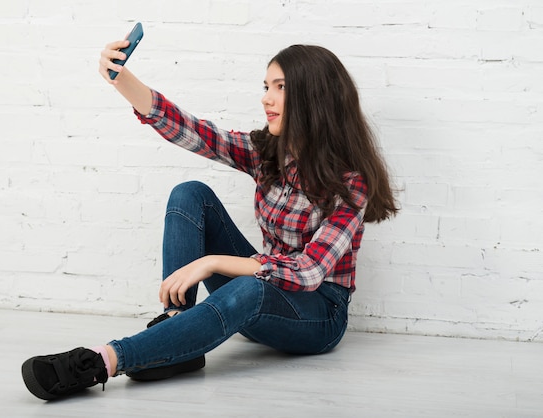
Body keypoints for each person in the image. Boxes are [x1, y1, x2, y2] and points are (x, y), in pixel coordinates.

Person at [21, 36, 398, 401]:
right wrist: (122, 79)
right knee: (190, 194)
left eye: (280, 87)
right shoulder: (267, 152)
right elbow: (195, 132)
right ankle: (176, 330)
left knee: (252, 284)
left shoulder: (351, 180)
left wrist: (212, 262)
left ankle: (102, 361)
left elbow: (308, 272)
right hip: (260, 292)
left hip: (318, 314)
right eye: (266, 86)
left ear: (314, 97)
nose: (266, 98)